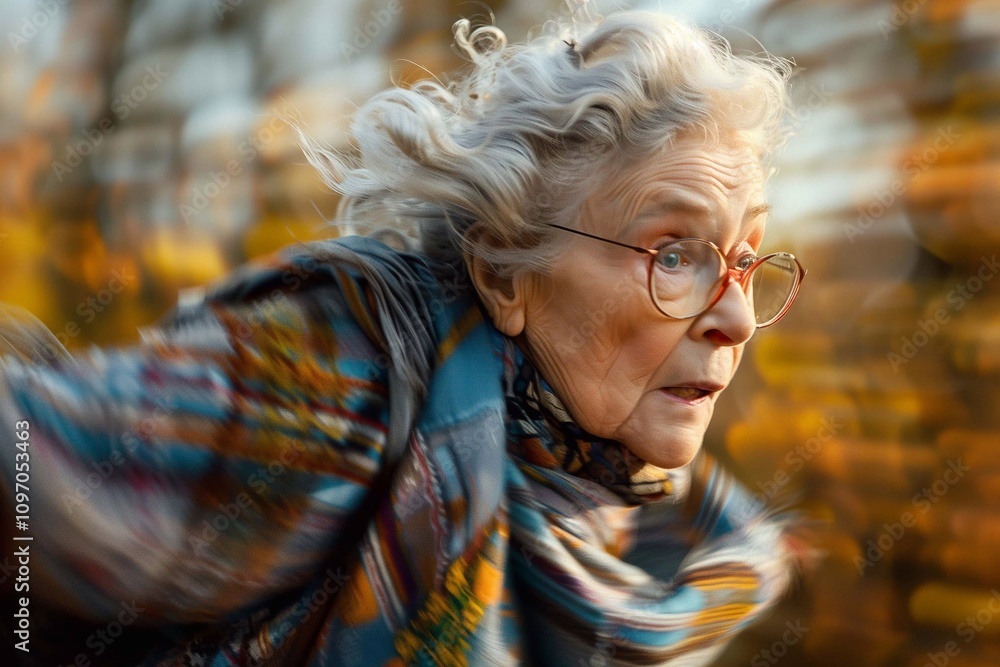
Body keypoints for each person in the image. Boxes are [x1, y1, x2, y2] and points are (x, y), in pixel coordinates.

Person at [0, 5, 807, 666]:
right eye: (673, 255)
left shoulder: (675, 532)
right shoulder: (351, 377)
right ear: (504, 273)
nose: (736, 317)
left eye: (744, 260)